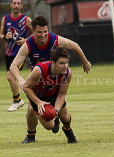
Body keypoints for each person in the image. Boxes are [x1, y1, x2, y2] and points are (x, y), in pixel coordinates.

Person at [10, 15, 91, 143]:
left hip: (55, 81)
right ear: (33, 32)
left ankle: (64, 126)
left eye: (45, 32)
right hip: (37, 83)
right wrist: (20, 80)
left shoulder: (55, 40)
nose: (43, 35)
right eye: (39, 32)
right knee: (33, 110)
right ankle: (31, 135)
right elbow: (13, 65)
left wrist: (85, 62)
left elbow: (75, 45)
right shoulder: (28, 44)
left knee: (63, 114)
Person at [22, 47, 77, 143]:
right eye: (61, 63)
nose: (65, 66)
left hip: (53, 93)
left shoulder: (67, 73)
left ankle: (68, 130)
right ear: (53, 63)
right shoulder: (39, 70)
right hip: (38, 96)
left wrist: (56, 111)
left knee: (65, 118)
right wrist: (38, 102)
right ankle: (31, 135)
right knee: (49, 126)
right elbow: (26, 87)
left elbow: (62, 93)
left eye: (66, 62)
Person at [0, 0, 32, 111]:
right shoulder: (5, 19)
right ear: (11, 5)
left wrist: (26, 41)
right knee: (10, 78)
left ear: (21, 6)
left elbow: (37, 32)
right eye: (14, 3)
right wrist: (5, 36)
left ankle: (17, 101)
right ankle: (18, 99)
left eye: (19, 3)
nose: (16, 5)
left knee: (10, 76)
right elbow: (1, 34)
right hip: (9, 53)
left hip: (20, 53)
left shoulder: (26, 20)